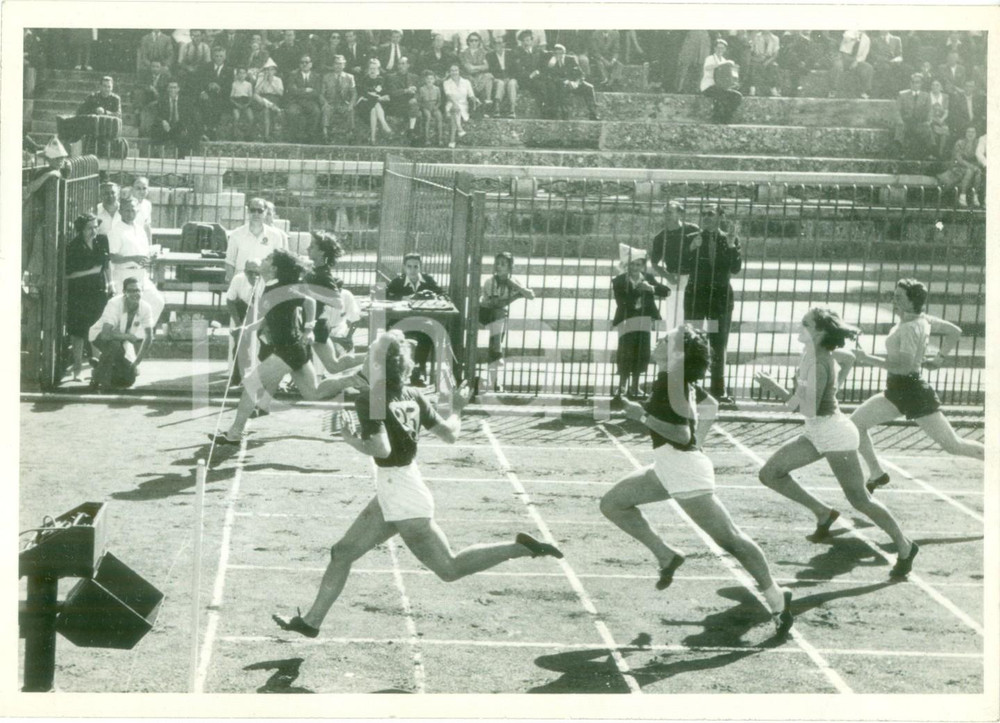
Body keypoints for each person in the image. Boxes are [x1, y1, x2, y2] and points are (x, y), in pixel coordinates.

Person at [272, 329, 563, 639]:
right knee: (343, 552)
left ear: (378, 364)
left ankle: (520, 548)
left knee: (449, 569)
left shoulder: (370, 398)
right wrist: (459, 405)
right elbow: (450, 433)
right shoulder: (413, 394)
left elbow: (380, 449)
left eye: (369, 353)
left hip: (402, 495)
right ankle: (312, 621)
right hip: (400, 487)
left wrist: (350, 439)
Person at [599, 325, 794, 636]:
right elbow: (711, 407)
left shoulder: (669, 383)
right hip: (669, 466)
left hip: (683, 471)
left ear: (675, 352)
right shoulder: (675, 379)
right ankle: (666, 554)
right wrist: (697, 445)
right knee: (613, 504)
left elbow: (680, 434)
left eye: (665, 340)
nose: (658, 340)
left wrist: (642, 417)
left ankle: (776, 596)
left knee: (731, 539)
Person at [754, 308, 918, 580]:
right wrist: (839, 378)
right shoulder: (813, 354)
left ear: (818, 331)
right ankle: (823, 512)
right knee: (769, 474)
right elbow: (848, 357)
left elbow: (807, 409)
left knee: (860, 500)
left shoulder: (818, 362)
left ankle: (905, 546)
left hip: (835, 435)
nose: (799, 325)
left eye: (804, 323)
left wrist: (775, 389)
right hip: (818, 433)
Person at [211, 249, 364, 445]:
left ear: (273, 268)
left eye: (267, 258)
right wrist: (246, 328)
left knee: (251, 382)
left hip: (289, 349)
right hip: (293, 349)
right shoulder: (268, 286)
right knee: (313, 393)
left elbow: (309, 301)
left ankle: (234, 433)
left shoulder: (284, 287)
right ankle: (353, 379)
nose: (263, 259)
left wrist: (309, 329)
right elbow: (268, 319)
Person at [850, 279, 985, 493]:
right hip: (896, 390)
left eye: (899, 297)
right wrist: (939, 358)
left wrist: (866, 358)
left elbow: (903, 367)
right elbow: (955, 331)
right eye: (894, 295)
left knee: (953, 445)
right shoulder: (920, 319)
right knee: (856, 424)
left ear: (912, 302)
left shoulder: (911, 328)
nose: (894, 300)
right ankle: (877, 473)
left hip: (912, 391)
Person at [653, 203, 740, 405]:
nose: (706, 217)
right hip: (696, 299)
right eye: (704, 214)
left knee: (718, 343)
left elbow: (735, 268)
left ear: (720, 216)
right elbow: (681, 266)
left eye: (710, 214)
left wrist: (730, 245)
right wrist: (691, 249)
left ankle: (718, 389)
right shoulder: (691, 238)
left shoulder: (729, 238)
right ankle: (694, 387)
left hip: (719, 300)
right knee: (694, 342)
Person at [611, 245, 671, 400]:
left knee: (641, 352)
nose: (635, 268)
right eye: (632, 264)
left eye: (638, 264)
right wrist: (638, 290)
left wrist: (651, 288)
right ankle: (622, 385)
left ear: (643, 266)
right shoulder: (619, 281)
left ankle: (635, 385)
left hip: (644, 320)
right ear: (627, 265)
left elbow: (666, 291)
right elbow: (622, 302)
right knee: (625, 351)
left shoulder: (648, 279)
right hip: (627, 319)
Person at [305, 232, 363, 377]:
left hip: (317, 325)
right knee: (333, 366)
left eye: (312, 246)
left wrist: (309, 293)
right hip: (313, 323)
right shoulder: (314, 270)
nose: (307, 248)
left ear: (322, 252)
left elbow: (338, 303)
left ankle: (377, 356)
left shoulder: (324, 274)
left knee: (333, 366)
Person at [478, 251, 534, 394]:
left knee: (494, 345)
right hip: (484, 313)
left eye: (503, 264)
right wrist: (517, 296)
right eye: (497, 263)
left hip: (499, 318)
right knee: (499, 314)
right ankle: (498, 350)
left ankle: (495, 381)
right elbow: (495, 303)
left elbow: (531, 295)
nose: (499, 267)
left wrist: (518, 288)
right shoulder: (490, 281)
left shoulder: (513, 281)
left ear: (510, 267)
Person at [386, 253, 445, 386]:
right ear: (404, 267)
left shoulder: (428, 281)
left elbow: (442, 294)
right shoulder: (397, 282)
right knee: (393, 335)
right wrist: (403, 298)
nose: (412, 270)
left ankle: (417, 373)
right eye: (409, 266)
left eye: (416, 267)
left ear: (420, 267)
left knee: (427, 334)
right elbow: (386, 296)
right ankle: (395, 375)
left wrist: (432, 297)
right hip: (400, 321)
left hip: (421, 322)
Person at [87, 277, 154, 393]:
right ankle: (101, 382)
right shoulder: (114, 304)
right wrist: (128, 337)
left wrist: (137, 362)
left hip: (121, 342)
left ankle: (99, 367)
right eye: (131, 291)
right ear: (124, 292)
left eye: (138, 290)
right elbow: (105, 335)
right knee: (114, 345)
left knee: (129, 378)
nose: (135, 293)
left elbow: (149, 337)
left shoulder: (146, 308)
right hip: (98, 335)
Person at [65, 214, 111, 381]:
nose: (94, 231)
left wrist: (110, 282)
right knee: (78, 333)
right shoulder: (73, 246)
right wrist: (91, 271)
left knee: (96, 330)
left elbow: (106, 264)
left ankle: (96, 370)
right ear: (81, 230)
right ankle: (77, 370)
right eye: (89, 228)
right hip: (79, 294)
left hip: (98, 291)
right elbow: (67, 275)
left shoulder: (102, 240)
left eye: (95, 226)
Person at [225, 197, 287, 282]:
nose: (256, 213)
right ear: (248, 211)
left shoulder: (275, 235)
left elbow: (278, 263)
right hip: (241, 283)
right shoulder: (236, 234)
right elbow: (229, 263)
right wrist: (233, 286)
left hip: (265, 284)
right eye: (252, 210)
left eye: (260, 211)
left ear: (265, 212)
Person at [225, 258, 264, 388]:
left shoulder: (266, 281)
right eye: (249, 272)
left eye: (256, 272)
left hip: (263, 312)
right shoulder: (238, 279)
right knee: (240, 342)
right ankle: (237, 378)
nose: (253, 275)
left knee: (266, 344)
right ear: (245, 271)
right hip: (243, 309)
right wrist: (238, 323)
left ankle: (264, 379)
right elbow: (230, 301)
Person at [544, 44, 599, 121]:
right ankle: (565, 113)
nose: (558, 55)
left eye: (560, 53)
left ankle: (593, 112)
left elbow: (581, 74)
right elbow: (552, 77)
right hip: (562, 84)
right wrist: (566, 81)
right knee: (562, 89)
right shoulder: (552, 62)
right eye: (556, 53)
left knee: (589, 87)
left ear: (564, 53)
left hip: (574, 83)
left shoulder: (570, 59)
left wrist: (577, 82)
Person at [152, 80, 200, 157]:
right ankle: (158, 155)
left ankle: (181, 157)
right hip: (167, 126)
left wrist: (185, 127)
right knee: (156, 130)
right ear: (167, 89)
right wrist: (163, 121)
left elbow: (191, 116)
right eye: (170, 87)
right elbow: (157, 115)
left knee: (184, 136)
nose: (172, 90)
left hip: (180, 126)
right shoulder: (162, 101)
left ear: (178, 89)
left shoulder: (186, 101)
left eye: (175, 87)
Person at [938, 126, 983, 208]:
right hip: (958, 166)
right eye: (968, 132)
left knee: (978, 172)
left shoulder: (977, 143)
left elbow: (979, 157)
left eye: (973, 132)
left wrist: (975, 167)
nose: (970, 134)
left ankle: (975, 196)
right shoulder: (960, 143)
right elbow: (958, 159)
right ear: (965, 133)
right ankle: (962, 196)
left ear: (976, 134)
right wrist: (971, 166)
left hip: (971, 167)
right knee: (970, 171)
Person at [701, 39, 742, 124]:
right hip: (708, 86)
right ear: (714, 49)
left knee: (737, 96)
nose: (720, 50)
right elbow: (707, 67)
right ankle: (717, 118)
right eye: (718, 48)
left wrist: (733, 82)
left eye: (722, 48)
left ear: (725, 50)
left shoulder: (723, 60)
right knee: (722, 95)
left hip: (720, 87)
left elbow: (725, 77)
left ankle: (726, 118)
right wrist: (722, 64)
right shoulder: (710, 58)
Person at [285, 55, 323, 143]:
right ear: (299, 64)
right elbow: (291, 90)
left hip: (310, 102)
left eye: (307, 62)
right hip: (296, 102)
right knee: (292, 112)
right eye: (302, 62)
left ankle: (310, 135)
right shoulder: (293, 75)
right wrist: (306, 90)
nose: (304, 64)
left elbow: (316, 92)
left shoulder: (317, 76)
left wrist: (300, 91)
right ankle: (294, 137)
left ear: (311, 64)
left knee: (316, 111)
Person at [894, 73, 933, 160]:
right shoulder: (902, 95)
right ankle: (901, 151)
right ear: (910, 83)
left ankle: (929, 152)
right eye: (913, 82)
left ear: (921, 84)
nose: (915, 84)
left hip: (920, 121)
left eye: (918, 82)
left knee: (927, 129)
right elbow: (897, 110)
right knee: (900, 128)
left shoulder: (926, 96)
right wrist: (900, 121)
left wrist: (929, 121)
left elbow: (929, 110)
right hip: (906, 121)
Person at [198, 46, 234, 140]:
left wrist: (219, 88)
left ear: (224, 57)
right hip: (207, 94)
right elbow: (199, 81)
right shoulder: (206, 67)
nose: (218, 58)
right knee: (206, 103)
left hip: (222, 96)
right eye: (216, 56)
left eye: (221, 56)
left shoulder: (229, 70)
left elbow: (229, 87)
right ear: (213, 56)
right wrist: (202, 92)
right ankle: (208, 131)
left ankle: (211, 131)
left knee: (216, 105)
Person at [355, 58, 393, 145]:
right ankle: (384, 124)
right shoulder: (364, 79)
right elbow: (363, 92)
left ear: (378, 70)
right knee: (375, 103)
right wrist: (377, 97)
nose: (372, 71)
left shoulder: (381, 79)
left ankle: (373, 138)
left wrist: (378, 96)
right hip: (364, 103)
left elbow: (384, 92)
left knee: (373, 110)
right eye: (371, 68)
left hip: (375, 104)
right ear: (368, 69)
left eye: (374, 69)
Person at [321, 55, 356, 141]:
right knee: (326, 110)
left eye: (340, 64)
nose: (338, 66)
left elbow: (354, 93)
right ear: (333, 65)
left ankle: (350, 133)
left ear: (344, 65)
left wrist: (351, 104)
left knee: (350, 110)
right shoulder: (326, 77)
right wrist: (325, 103)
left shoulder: (349, 77)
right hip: (331, 103)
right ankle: (325, 133)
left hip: (343, 103)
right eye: (336, 64)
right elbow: (321, 94)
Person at [442, 63, 477, 148]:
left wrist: (475, 101)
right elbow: (448, 95)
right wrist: (455, 104)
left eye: (456, 70)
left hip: (463, 105)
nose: (454, 72)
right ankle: (459, 129)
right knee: (454, 109)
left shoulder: (466, 82)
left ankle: (452, 140)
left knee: (455, 113)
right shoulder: (446, 82)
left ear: (459, 71)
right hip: (450, 104)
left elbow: (471, 94)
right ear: (449, 72)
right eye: (452, 70)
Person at [459, 33, 494, 115]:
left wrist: (474, 67)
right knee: (470, 80)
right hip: (469, 77)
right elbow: (468, 69)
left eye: (476, 40)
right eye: (471, 40)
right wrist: (480, 67)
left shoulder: (484, 53)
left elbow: (487, 67)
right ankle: (476, 103)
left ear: (479, 42)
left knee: (489, 76)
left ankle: (488, 101)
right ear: (468, 42)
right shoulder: (463, 54)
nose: (474, 42)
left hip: (480, 77)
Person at [486, 32, 517, 118]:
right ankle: (497, 107)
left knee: (512, 83)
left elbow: (515, 69)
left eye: (500, 43)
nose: (497, 45)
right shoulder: (490, 56)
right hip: (497, 78)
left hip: (510, 77)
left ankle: (512, 109)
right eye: (495, 43)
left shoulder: (510, 54)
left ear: (504, 44)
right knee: (500, 83)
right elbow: (490, 71)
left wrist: (509, 78)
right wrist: (502, 78)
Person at [253, 58, 284, 141]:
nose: (269, 72)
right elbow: (256, 92)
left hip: (274, 98)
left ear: (274, 71)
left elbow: (280, 93)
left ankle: (266, 136)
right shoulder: (261, 79)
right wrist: (263, 81)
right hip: (263, 98)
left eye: (271, 70)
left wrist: (271, 83)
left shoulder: (278, 80)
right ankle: (272, 106)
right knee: (255, 96)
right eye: (267, 70)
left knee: (266, 110)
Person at [417, 69, 444, 145]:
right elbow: (420, 101)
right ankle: (427, 139)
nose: (429, 80)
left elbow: (439, 101)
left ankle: (440, 139)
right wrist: (424, 107)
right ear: (425, 80)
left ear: (434, 80)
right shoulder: (422, 89)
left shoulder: (437, 89)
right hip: (425, 107)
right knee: (428, 117)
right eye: (428, 79)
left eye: (431, 78)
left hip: (434, 106)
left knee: (439, 116)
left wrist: (436, 106)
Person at [229, 66, 255, 140]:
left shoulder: (248, 84)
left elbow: (250, 96)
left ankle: (248, 135)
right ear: (237, 74)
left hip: (246, 102)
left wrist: (247, 104)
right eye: (240, 73)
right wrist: (236, 104)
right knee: (236, 117)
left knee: (251, 117)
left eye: (244, 73)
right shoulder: (234, 84)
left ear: (246, 74)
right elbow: (231, 97)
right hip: (237, 102)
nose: (242, 75)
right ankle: (234, 135)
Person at [130, 176, 154, 245]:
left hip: (141, 240)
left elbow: (147, 226)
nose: (142, 191)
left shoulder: (147, 204)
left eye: (144, 188)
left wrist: (150, 245)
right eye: (138, 188)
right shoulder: (127, 204)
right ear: (132, 189)